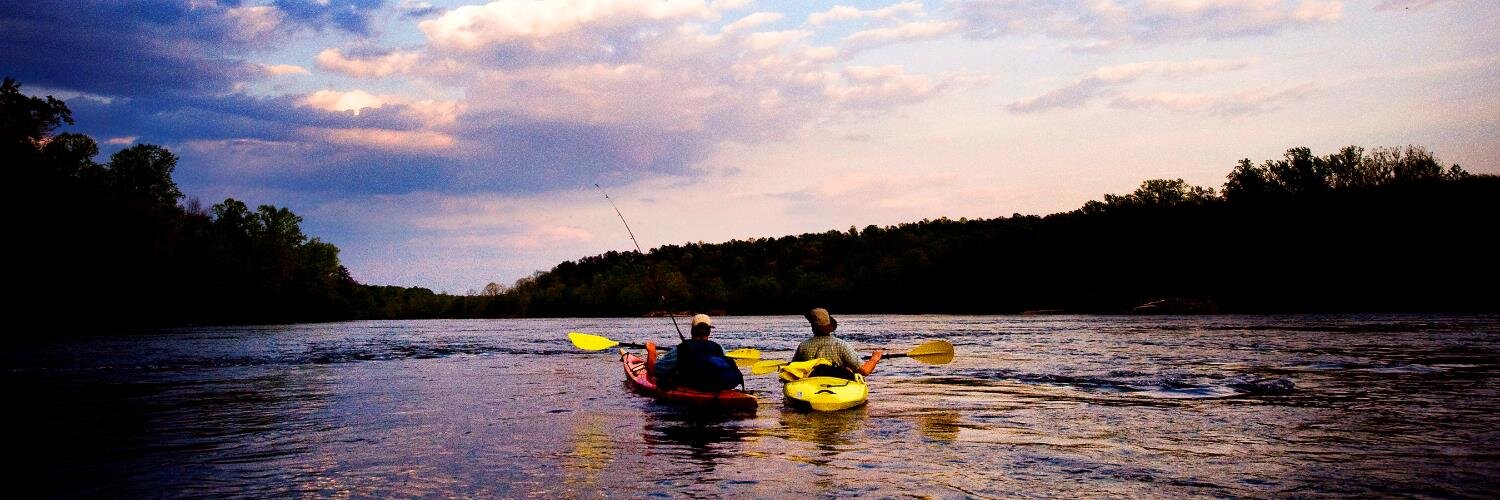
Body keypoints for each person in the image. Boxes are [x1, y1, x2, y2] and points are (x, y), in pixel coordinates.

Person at [647, 314, 743, 391]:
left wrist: (651, 351)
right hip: (716, 386)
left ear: (692, 330)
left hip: (692, 387)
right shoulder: (719, 348)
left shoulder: (681, 349)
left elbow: (653, 371)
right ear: (709, 331)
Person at [792, 308, 883, 377]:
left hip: (811, 388)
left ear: (812, 326)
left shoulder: (803, 346)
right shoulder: (842, 345)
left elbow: (792, 371)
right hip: (838, 387)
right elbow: (864, 371)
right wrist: (874, 358)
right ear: (829, 326)